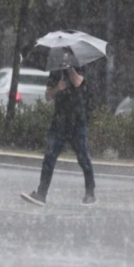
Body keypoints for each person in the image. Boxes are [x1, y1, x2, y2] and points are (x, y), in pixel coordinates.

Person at [21, 65, 96, 206]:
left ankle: (90, 192)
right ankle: (41, 194)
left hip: (77, 121)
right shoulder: (55, 70)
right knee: (49, 157)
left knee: (83, 157)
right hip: (59, 122)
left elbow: (78, 82)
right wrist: (58, 88)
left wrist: (69, 68)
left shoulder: (81, 65)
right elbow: (48, 96)